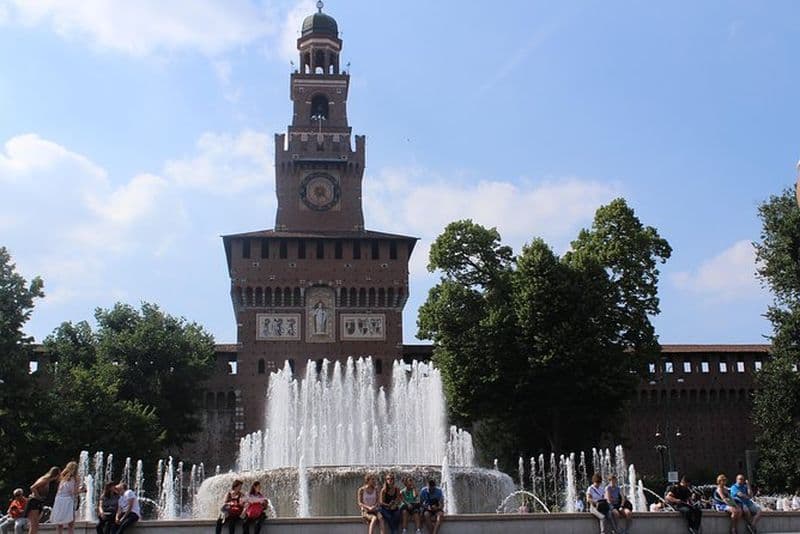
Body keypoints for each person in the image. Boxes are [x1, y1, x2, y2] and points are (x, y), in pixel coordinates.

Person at [50, 461, 85, 534]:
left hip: (59, 500)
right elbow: (73, 492)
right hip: (68, 501)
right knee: (71, 524)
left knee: (60, 523)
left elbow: (59, 490)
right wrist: (82, 490)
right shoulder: (76, 478)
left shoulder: (63, 478)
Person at [24, 466, 61, 534]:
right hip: (34, 502)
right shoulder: (45, 479)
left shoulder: (48, 481)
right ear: (56, 474)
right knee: (34, 525)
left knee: (36, 525)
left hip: (38, 503)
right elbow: (32, 487)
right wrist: (38, 497)